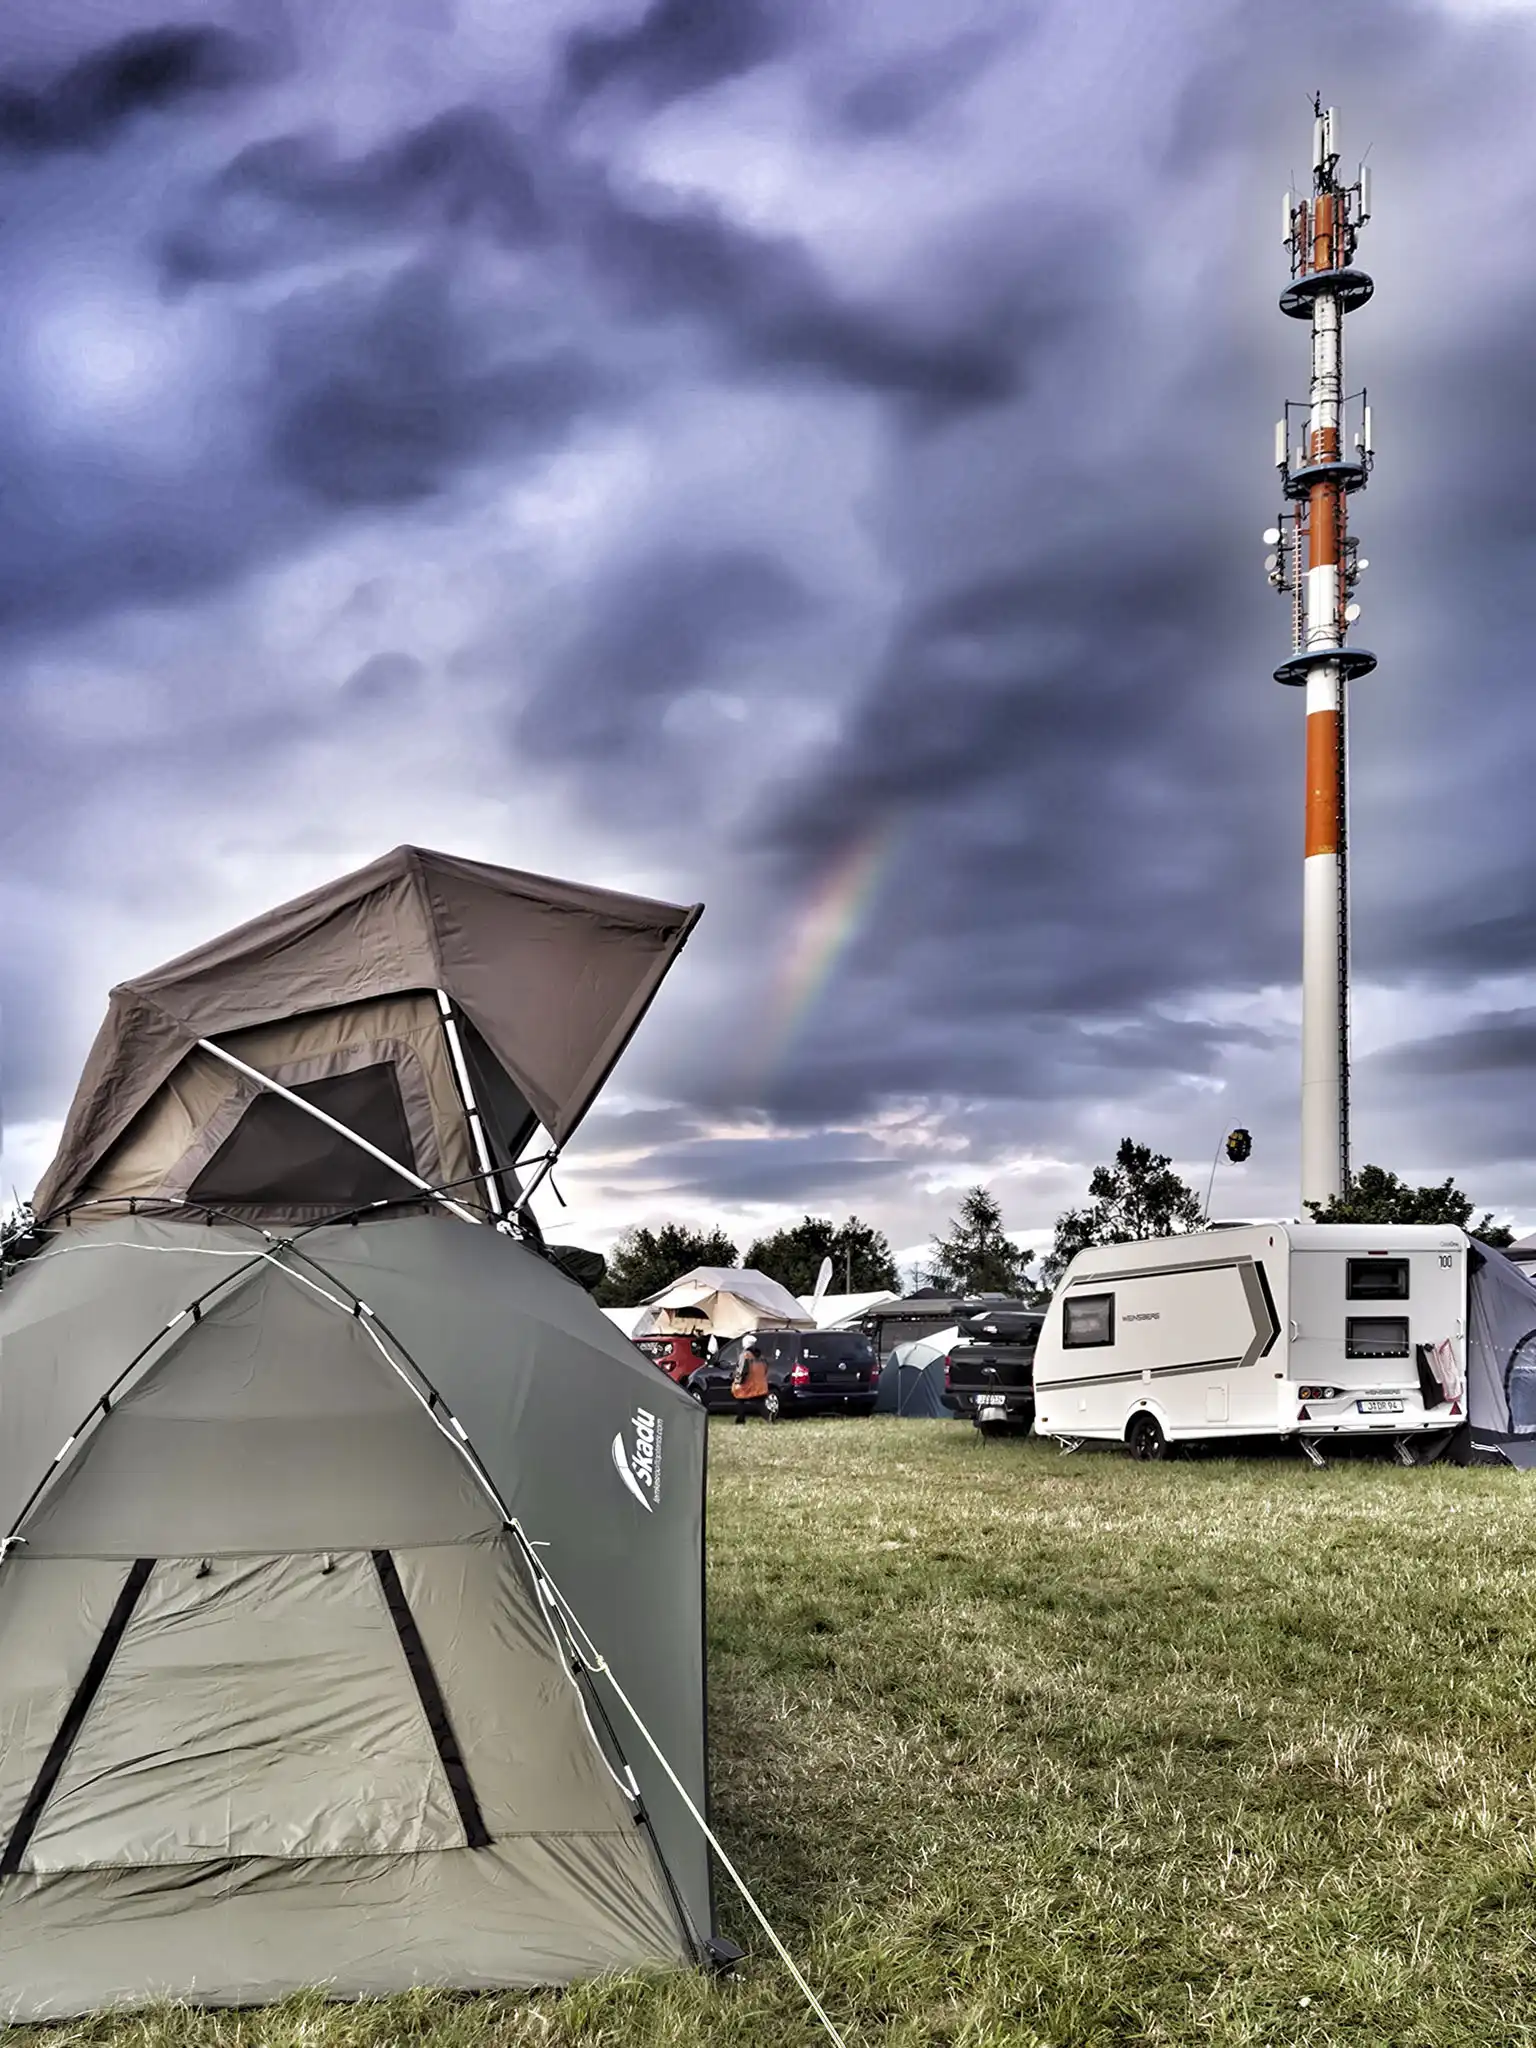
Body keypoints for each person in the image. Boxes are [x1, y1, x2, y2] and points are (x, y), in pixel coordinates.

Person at [731, 1334, 771, 1424]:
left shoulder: (745, 1355)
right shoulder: (761, 1356)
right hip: (759, 1384)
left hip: (747, 1383)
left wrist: (737, 1380)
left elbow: (742, 1370)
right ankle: (768, 1418)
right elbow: (766, 1368)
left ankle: (740, 1420)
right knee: (760, 1403)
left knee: (740, 1400)